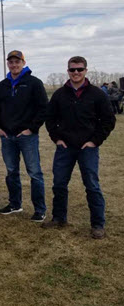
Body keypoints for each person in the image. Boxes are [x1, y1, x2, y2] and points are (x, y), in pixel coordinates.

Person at [44, 56, 115, 239]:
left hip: (87, 148)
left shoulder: (97, 94)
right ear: (67, 71)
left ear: (86, 70)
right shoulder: (59, 94)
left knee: (92, 185)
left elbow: (108, 120)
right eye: (72, 69)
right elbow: (50, 118)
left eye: (79, 69)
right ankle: (59, 218)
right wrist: (57, 138)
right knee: (59, 184)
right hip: (65, 147)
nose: (76, 73)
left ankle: (98, 224)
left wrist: (95, 141)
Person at [0, 50, 48, 222]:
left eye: (17, 61)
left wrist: (31, 129)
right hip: (7, 136)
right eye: (11, 62)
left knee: (34, 173)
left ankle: (40, 209)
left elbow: (43, 109)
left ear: (23, 63)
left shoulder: (34, 83)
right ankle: (15, 204)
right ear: (7, 64)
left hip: (27, 136)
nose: (14, 64)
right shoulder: (2, 85)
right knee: (11, 172)